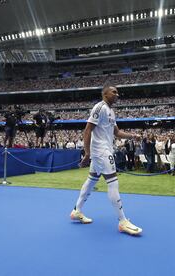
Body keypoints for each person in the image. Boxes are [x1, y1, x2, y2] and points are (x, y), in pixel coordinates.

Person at [70, 86, 143, 235]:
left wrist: (132, 136)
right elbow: (87, 129)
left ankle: (77, 211)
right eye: (114, 92)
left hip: (104, 149)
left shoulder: (111, 111)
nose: (117, 94)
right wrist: (87, 153)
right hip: (100, 151)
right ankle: (123, 221)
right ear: (105, 94)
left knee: (91, 181)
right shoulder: (100, 107)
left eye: (117, 92)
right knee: (113, 182)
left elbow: (116, 132)